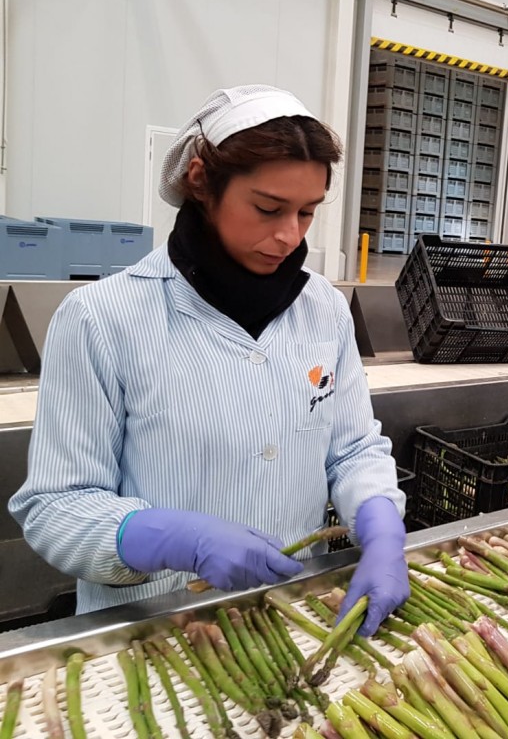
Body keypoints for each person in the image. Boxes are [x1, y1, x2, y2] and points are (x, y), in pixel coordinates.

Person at [9, 85, 409, 635]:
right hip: (152, 631)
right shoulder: (102, 317)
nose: (290, 236)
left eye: (307, 213)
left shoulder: (323, 310)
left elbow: (352, 449)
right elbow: (57, 506)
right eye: (268, 208)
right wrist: (170, 538)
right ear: (201, 181)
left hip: (287, 615)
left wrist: (382, 525)